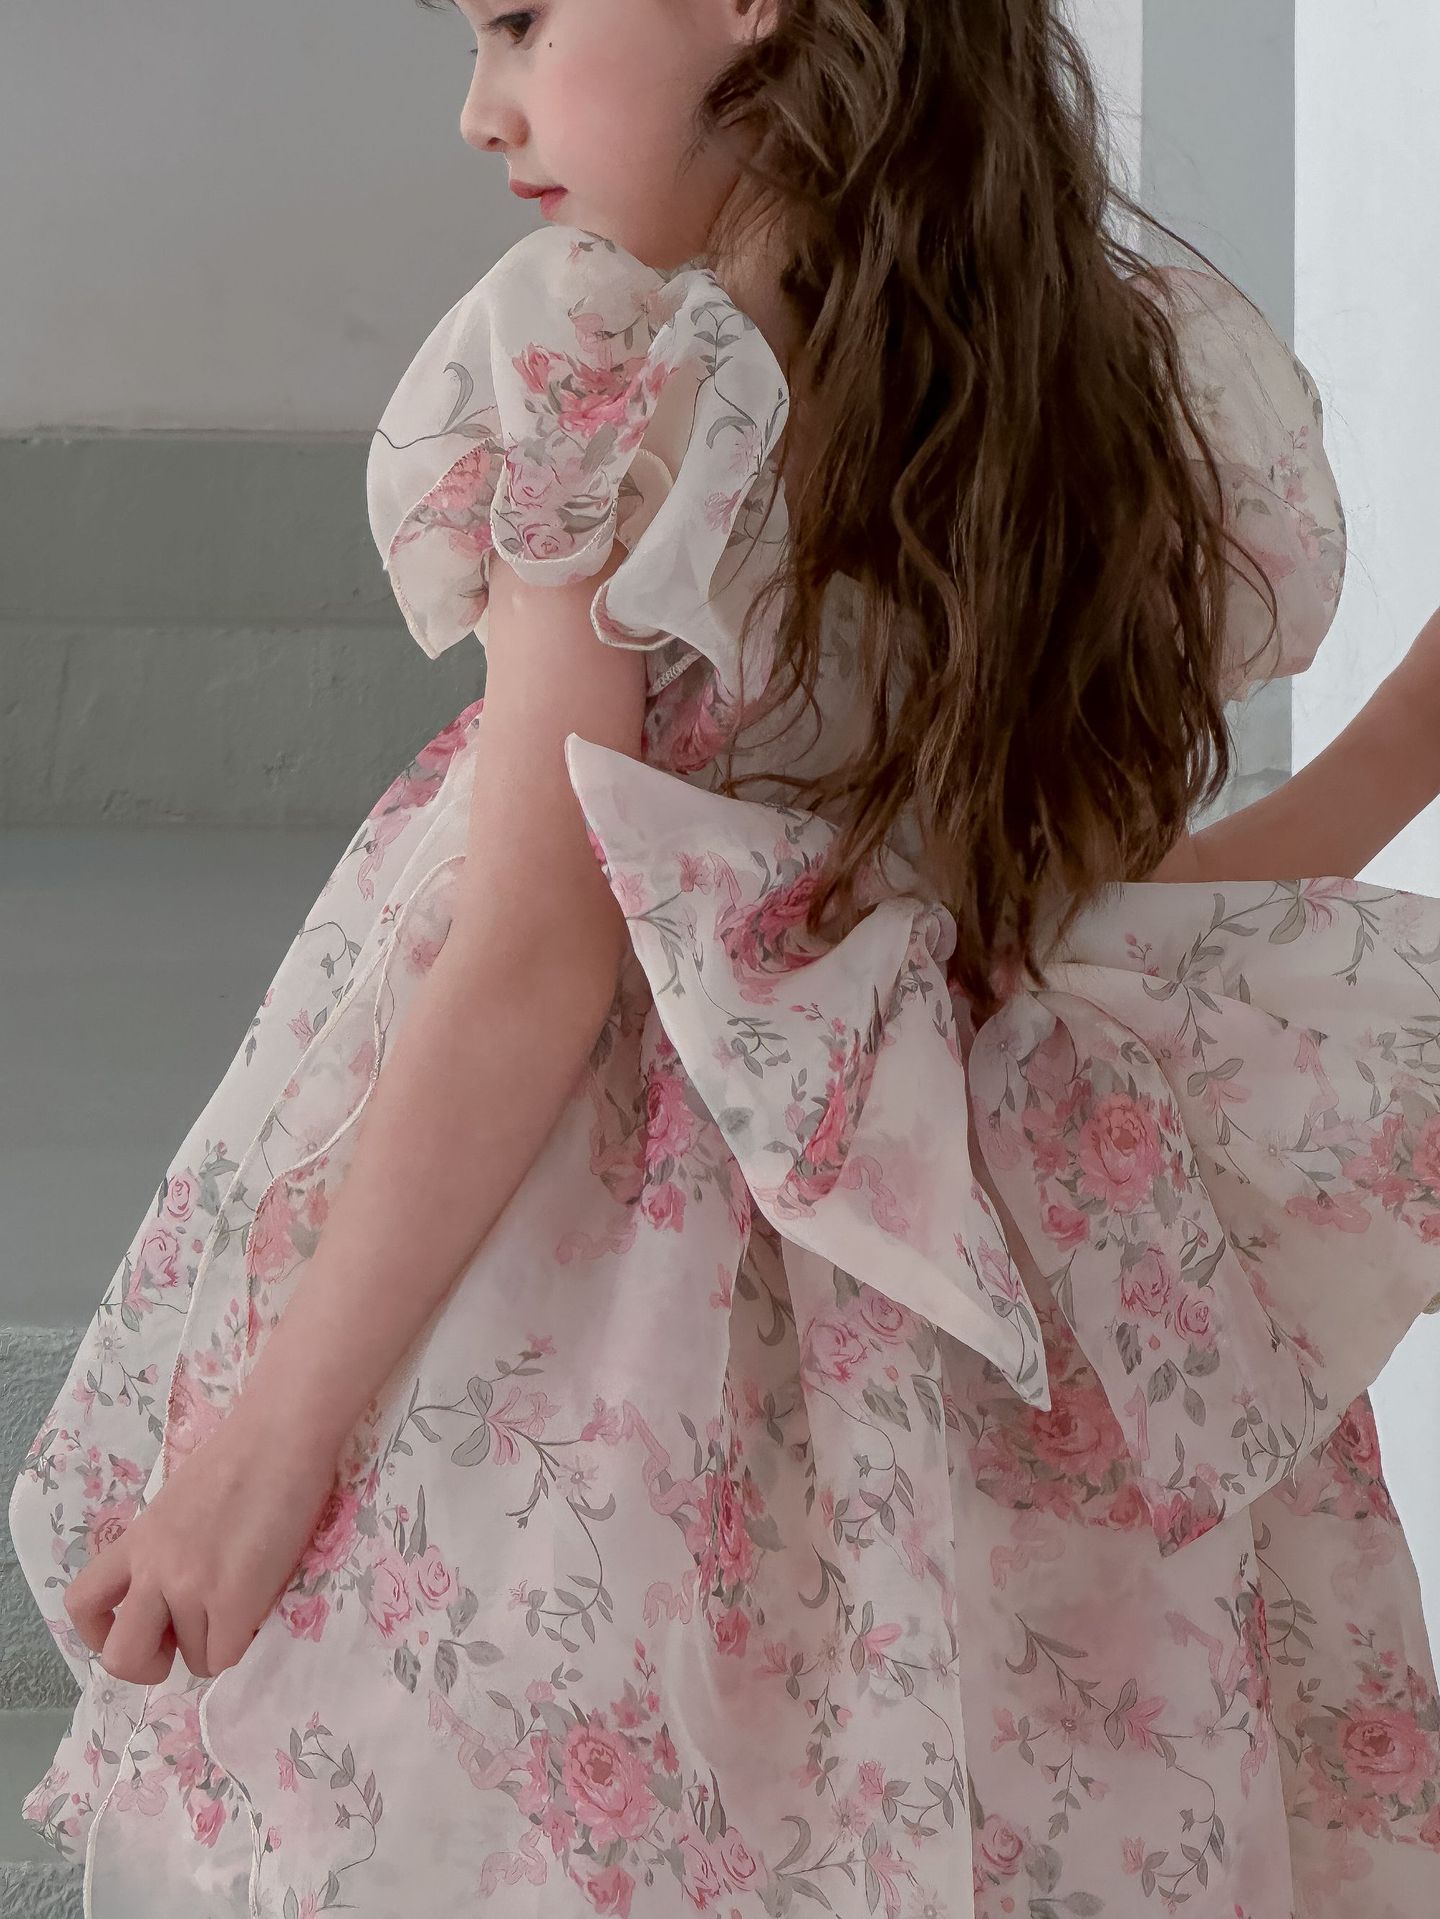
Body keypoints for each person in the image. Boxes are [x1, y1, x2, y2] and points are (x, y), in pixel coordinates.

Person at [10, 1, 1440, 1913]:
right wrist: (1399, 749)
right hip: (961, 1355)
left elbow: (538, 960)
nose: (481, 108)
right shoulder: (1065, 392)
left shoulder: (599, 366)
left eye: (524, 20)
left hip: (628, 1326)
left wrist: (260, 1456)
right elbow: (1094, 950)